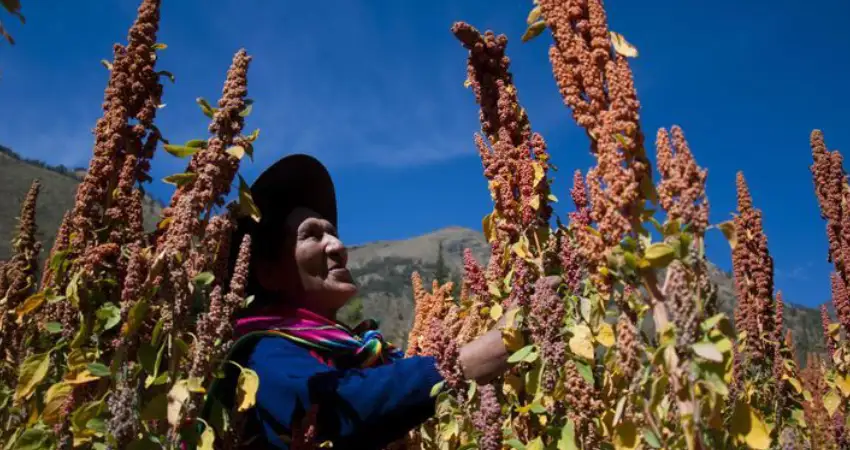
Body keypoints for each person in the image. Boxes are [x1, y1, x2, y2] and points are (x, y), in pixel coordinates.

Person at [204, 154, 513, 450]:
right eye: (311, 235)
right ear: (268, 272)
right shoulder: (256, 353)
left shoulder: (357, 353)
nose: (338, 246)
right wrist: (487, 352)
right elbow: (341, 402)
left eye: (334, 233)